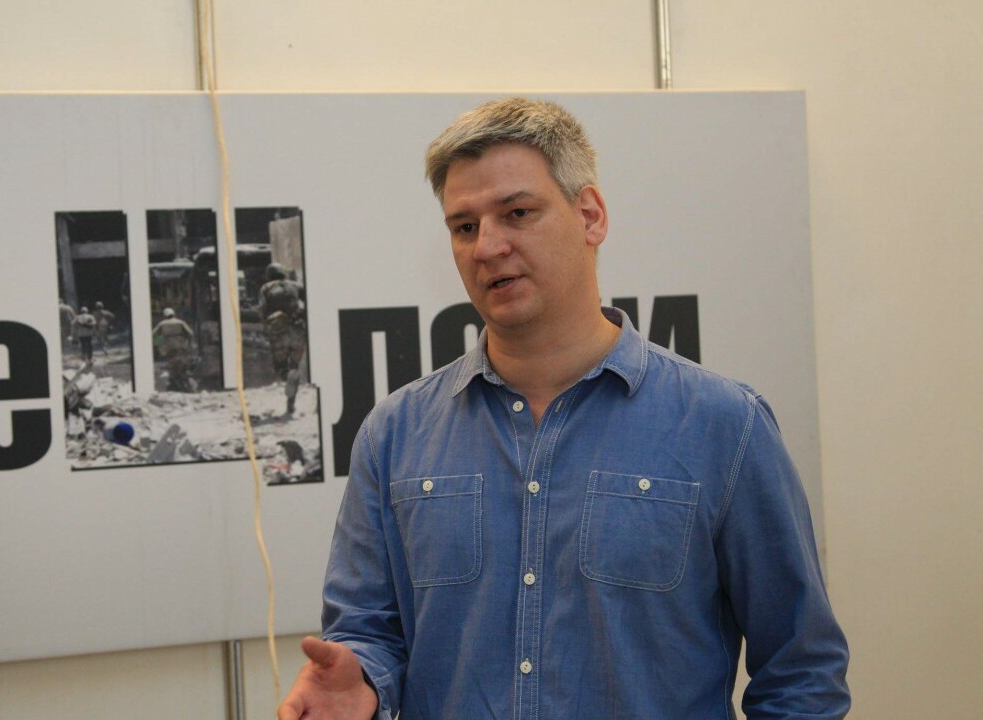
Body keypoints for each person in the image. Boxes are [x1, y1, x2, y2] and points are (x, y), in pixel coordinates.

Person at [279, 98, 850, 720]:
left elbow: (801, 673)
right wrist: (362, 680)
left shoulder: (726, 425)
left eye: (517, 213)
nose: (487, 246)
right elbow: (366, 629)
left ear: (590, 215)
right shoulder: (394, 435)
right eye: (464, 227)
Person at [259, 262, 307, 415]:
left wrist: (266, 328)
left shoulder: (266, 288)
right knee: (294, 366)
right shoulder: (296, 286)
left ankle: (287, 376)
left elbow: (262, 310)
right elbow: (309, 304)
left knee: (281, 368)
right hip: (297, 330)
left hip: (279, 331)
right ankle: (291, 403)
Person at [151, 308, 195, 392]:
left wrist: (158, 344)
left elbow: (153, 334)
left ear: (164, 315)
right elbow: (190, 333)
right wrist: (188, 342)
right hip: (180, 345)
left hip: (167, 347)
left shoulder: (161, 323)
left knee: (171, 363)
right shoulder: (180, 322)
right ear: (174, 314)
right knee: (181, 363)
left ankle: (174, 381)